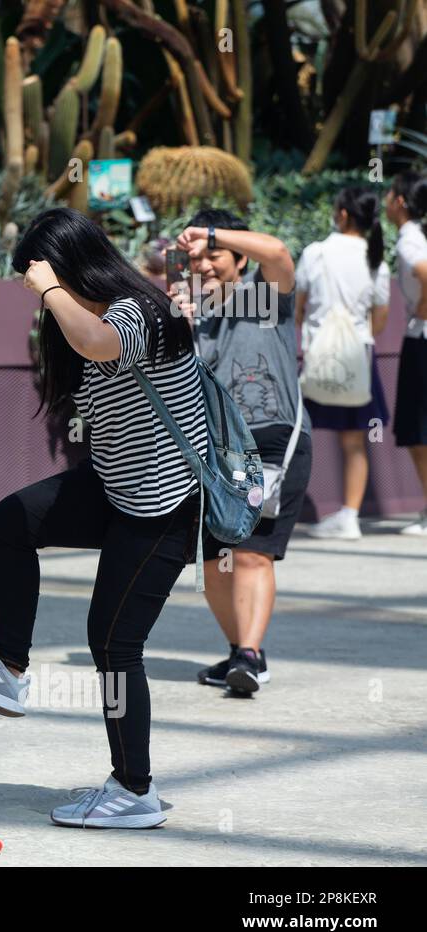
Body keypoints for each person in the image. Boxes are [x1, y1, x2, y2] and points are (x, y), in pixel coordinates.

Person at [0, 207, 204, 829]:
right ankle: (8, 666)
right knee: (13, 519)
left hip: (165, 509)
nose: (35, 290)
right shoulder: (93, 314)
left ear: (72, 266)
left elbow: (95, 340)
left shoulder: (140, 313)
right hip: (116, 489)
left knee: (113, 643)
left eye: (41, 274)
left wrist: (50, 288)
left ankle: (135, 790)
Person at [176, 209, 312, 695]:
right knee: (214, 560)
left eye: (213, 254)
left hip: (273, 437)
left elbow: (276, 252)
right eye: (195, 258)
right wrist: (181, 327)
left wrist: (208, 232)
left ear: (238, 256)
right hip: (217, 449)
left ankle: (250, 654)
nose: (204, 264)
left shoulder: (265, 296)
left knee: (253, 555)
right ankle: (243, 654)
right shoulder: (193, 312)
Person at [297, 186, 391, 540]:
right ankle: (349, 515)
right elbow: (379, 317)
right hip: (358, 360)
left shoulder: (316, 253)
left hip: (318, 358)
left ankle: (280, 508)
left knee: (298, 434)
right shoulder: (376, 258)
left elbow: (300, 306)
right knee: (355, 440)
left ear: (343, 214)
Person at [386, 171, 427, 535]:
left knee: (418, 430)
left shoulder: (409, 240)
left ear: (400, 201)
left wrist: (423, 312)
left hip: (422, 338)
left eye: (389, 193)